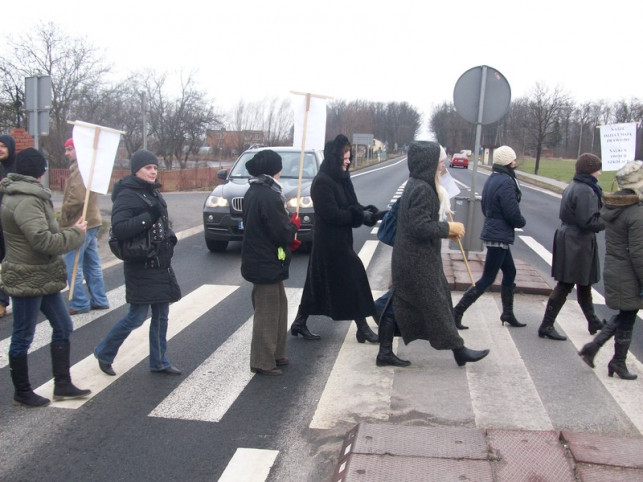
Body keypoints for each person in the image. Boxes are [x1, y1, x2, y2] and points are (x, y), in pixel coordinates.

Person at [1, 148, 90, 407]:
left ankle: (62, 384)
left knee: (63, 326)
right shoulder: (26, 199)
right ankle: (22, 391)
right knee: (22, 336)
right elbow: (42, 241)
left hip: (43, 275)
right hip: (27, 276)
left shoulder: (28, 195)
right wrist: (75, 234)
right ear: (40, 172)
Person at [392, 141, 490, 367]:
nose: (443, 164)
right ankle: (459, 349)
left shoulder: (418, 184)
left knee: (409, 302)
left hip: (416, 257)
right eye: (439, 160)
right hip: (416, 259)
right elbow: (418, 226)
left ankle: (386, 349)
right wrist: (448, 229)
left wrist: (445, 229)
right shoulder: (422, 189)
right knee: (433, 302)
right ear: (428, 162)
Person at [94, 150, 182, 376]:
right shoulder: (127, 195)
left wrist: (170, 236)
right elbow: (120, 229)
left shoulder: (152, 193)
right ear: (136, 170)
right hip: (140, 263)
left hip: (159, 262)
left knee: (162, 315)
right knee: (137, 316)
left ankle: (159, 361)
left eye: (155, 167)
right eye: (148, 167)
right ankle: (104, 352)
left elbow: (162, 222)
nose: (153, 171)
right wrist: (147, 217)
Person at [290, 134, 384, 343]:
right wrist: (358, 216)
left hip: (341, 239)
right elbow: (332, 214)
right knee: (354, 276)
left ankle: (299, 321)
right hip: (328, 242)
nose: (348, 161)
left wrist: (371, 214)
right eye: (345, 157)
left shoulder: (342, 178)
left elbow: (352, 205)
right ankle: (363, 327)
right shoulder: (322, 182)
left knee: (317, 283)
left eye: (349, 157)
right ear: (335, 158)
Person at [579, 160, 642, 380]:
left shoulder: (615, 206)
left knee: (626, 314)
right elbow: (638, 252)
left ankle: (612, 358)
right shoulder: (636, 213)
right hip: (630, 273)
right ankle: (607, 356)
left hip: (616, 267)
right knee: (627, 315)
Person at [453, 146, 527, 330]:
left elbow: (485, 207)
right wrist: (521, 221)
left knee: (510, 272)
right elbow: (511, 212)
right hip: (499, 236)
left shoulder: (492, 179)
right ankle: (456, 312)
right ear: (509, 162)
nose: (515, 163)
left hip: (495, 231)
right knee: (487, 278)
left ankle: (507, 313)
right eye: (514, 160)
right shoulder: (507, 182)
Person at [241, 150, 300, 376]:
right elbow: (280, 232)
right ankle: (262, 361)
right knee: (267, 312)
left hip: (264, 259)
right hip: (265, 260)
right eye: (279, 167)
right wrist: (293, 226)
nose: (281, 172)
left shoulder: (255, 191)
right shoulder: (269, 195)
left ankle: (276, 353)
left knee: (279, 307)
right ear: (274, 170)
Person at [538, 153, 605, 340]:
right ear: (590, 169)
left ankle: (593, 320)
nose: (600, 172)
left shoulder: (576, 186)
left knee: (584, 283)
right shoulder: (585, 190)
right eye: (598, 168)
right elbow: (588, 221)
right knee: (566, 284)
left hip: (574, 239)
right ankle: (546, 325)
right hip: (577, 241)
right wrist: (607, 219)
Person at [61, 138, 109, 315]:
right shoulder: (88, 167)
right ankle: (100, 299)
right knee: (92, 264)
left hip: (80, 222)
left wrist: (64, 213)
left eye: (69, 149)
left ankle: (79, 303)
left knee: (73, 265)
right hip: (92, 220)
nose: (66, 153)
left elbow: (77, 198)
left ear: (78, 150)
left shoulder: (81, 169)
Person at [0, 134, 17, 317]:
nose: (0, 149)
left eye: (3, 146)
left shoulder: (16, 169)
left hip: (13, 226)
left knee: (15, 263)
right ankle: (2, 301)